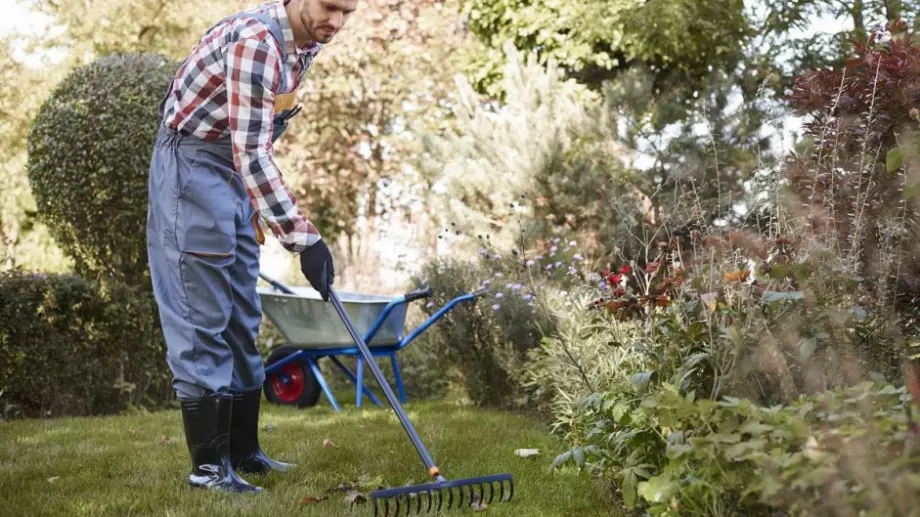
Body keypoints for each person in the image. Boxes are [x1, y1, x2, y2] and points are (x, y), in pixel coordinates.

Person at [146, 0, 357, 493]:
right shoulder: (257, 43)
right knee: (204, 318)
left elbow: (253, 139)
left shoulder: (302, 43)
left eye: (348, 12)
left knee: (242, 315)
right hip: (193, 171)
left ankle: (244, 452)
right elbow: (252, 151)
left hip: (233, 176)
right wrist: (303, 238)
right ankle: (209, 470)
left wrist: (271, 214)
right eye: (330, 7)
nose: (337, 22)